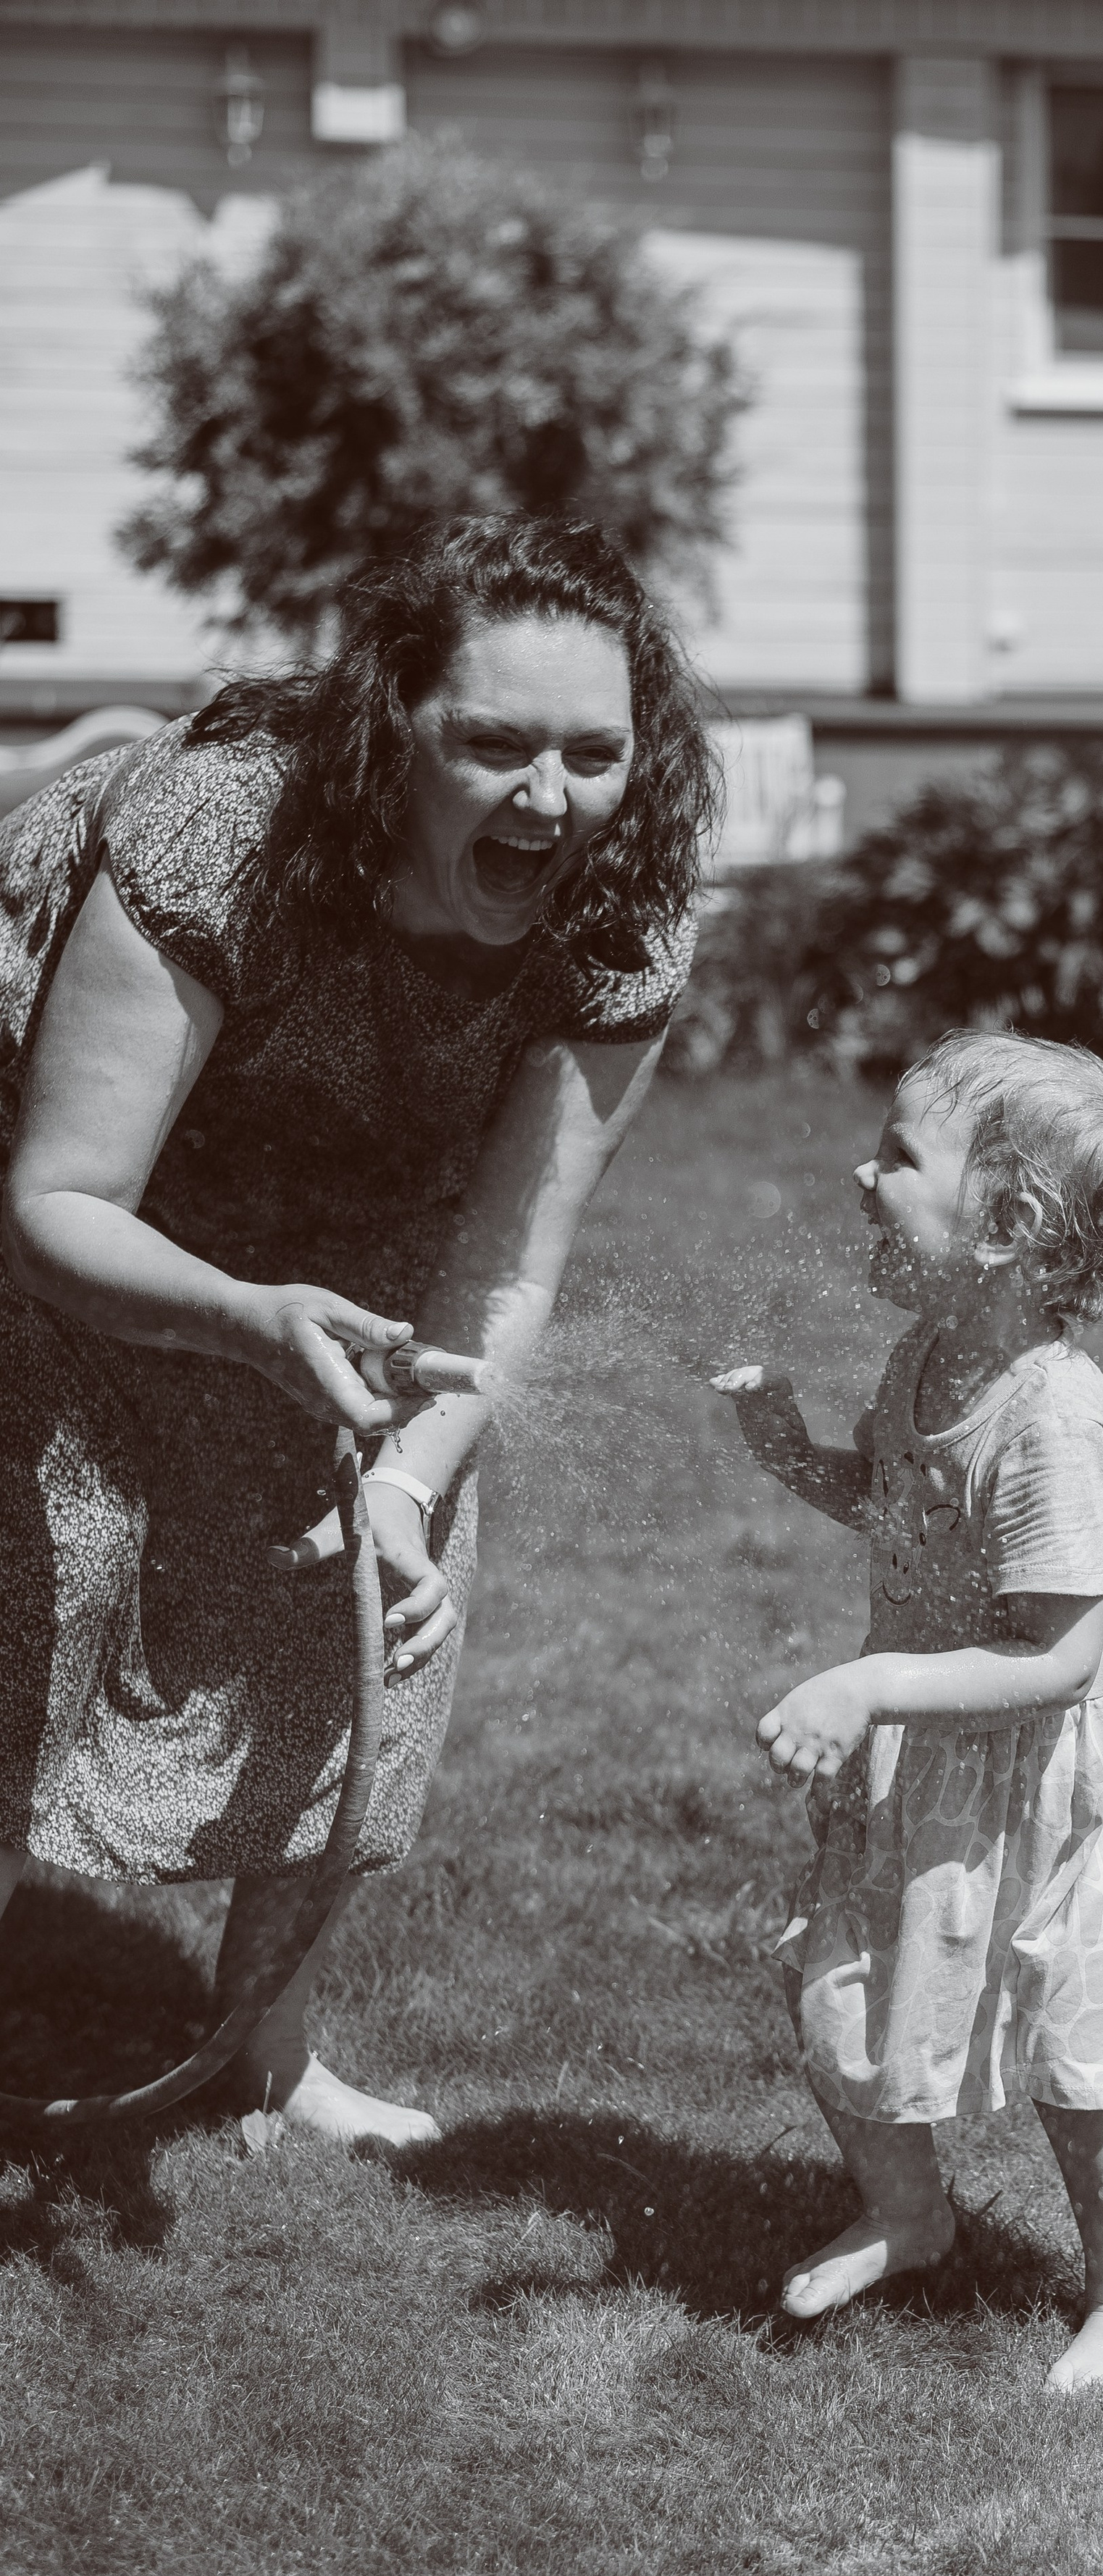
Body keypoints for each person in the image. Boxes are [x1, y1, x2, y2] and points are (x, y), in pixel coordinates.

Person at [0, 514, 713, 2144]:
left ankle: (268, 2052)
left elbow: (507, 1269)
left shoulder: (623, 907)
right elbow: (59, 1202)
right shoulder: (227, 833)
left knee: (363, 1595)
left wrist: (406, 1484)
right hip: (60, 1173)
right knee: (28, 1600)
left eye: (594, 754)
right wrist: (248, 1316)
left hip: (352, 1178)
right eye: (496, 745)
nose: (551, 800)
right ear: (392, 731)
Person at [713, 1033, 1103, 2394]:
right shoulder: (927, 1359)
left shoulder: (1054, 1419)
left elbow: (1055, 1659)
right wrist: (800, 1462)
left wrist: (868, 1682)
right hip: (947, 1750)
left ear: (1006, 1225)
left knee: (1083, 2054)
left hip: (1068, 1771)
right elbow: (902, 1508)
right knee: (843, 1990)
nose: (858, 1173)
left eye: (897, 1157)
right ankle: (910, 2212)